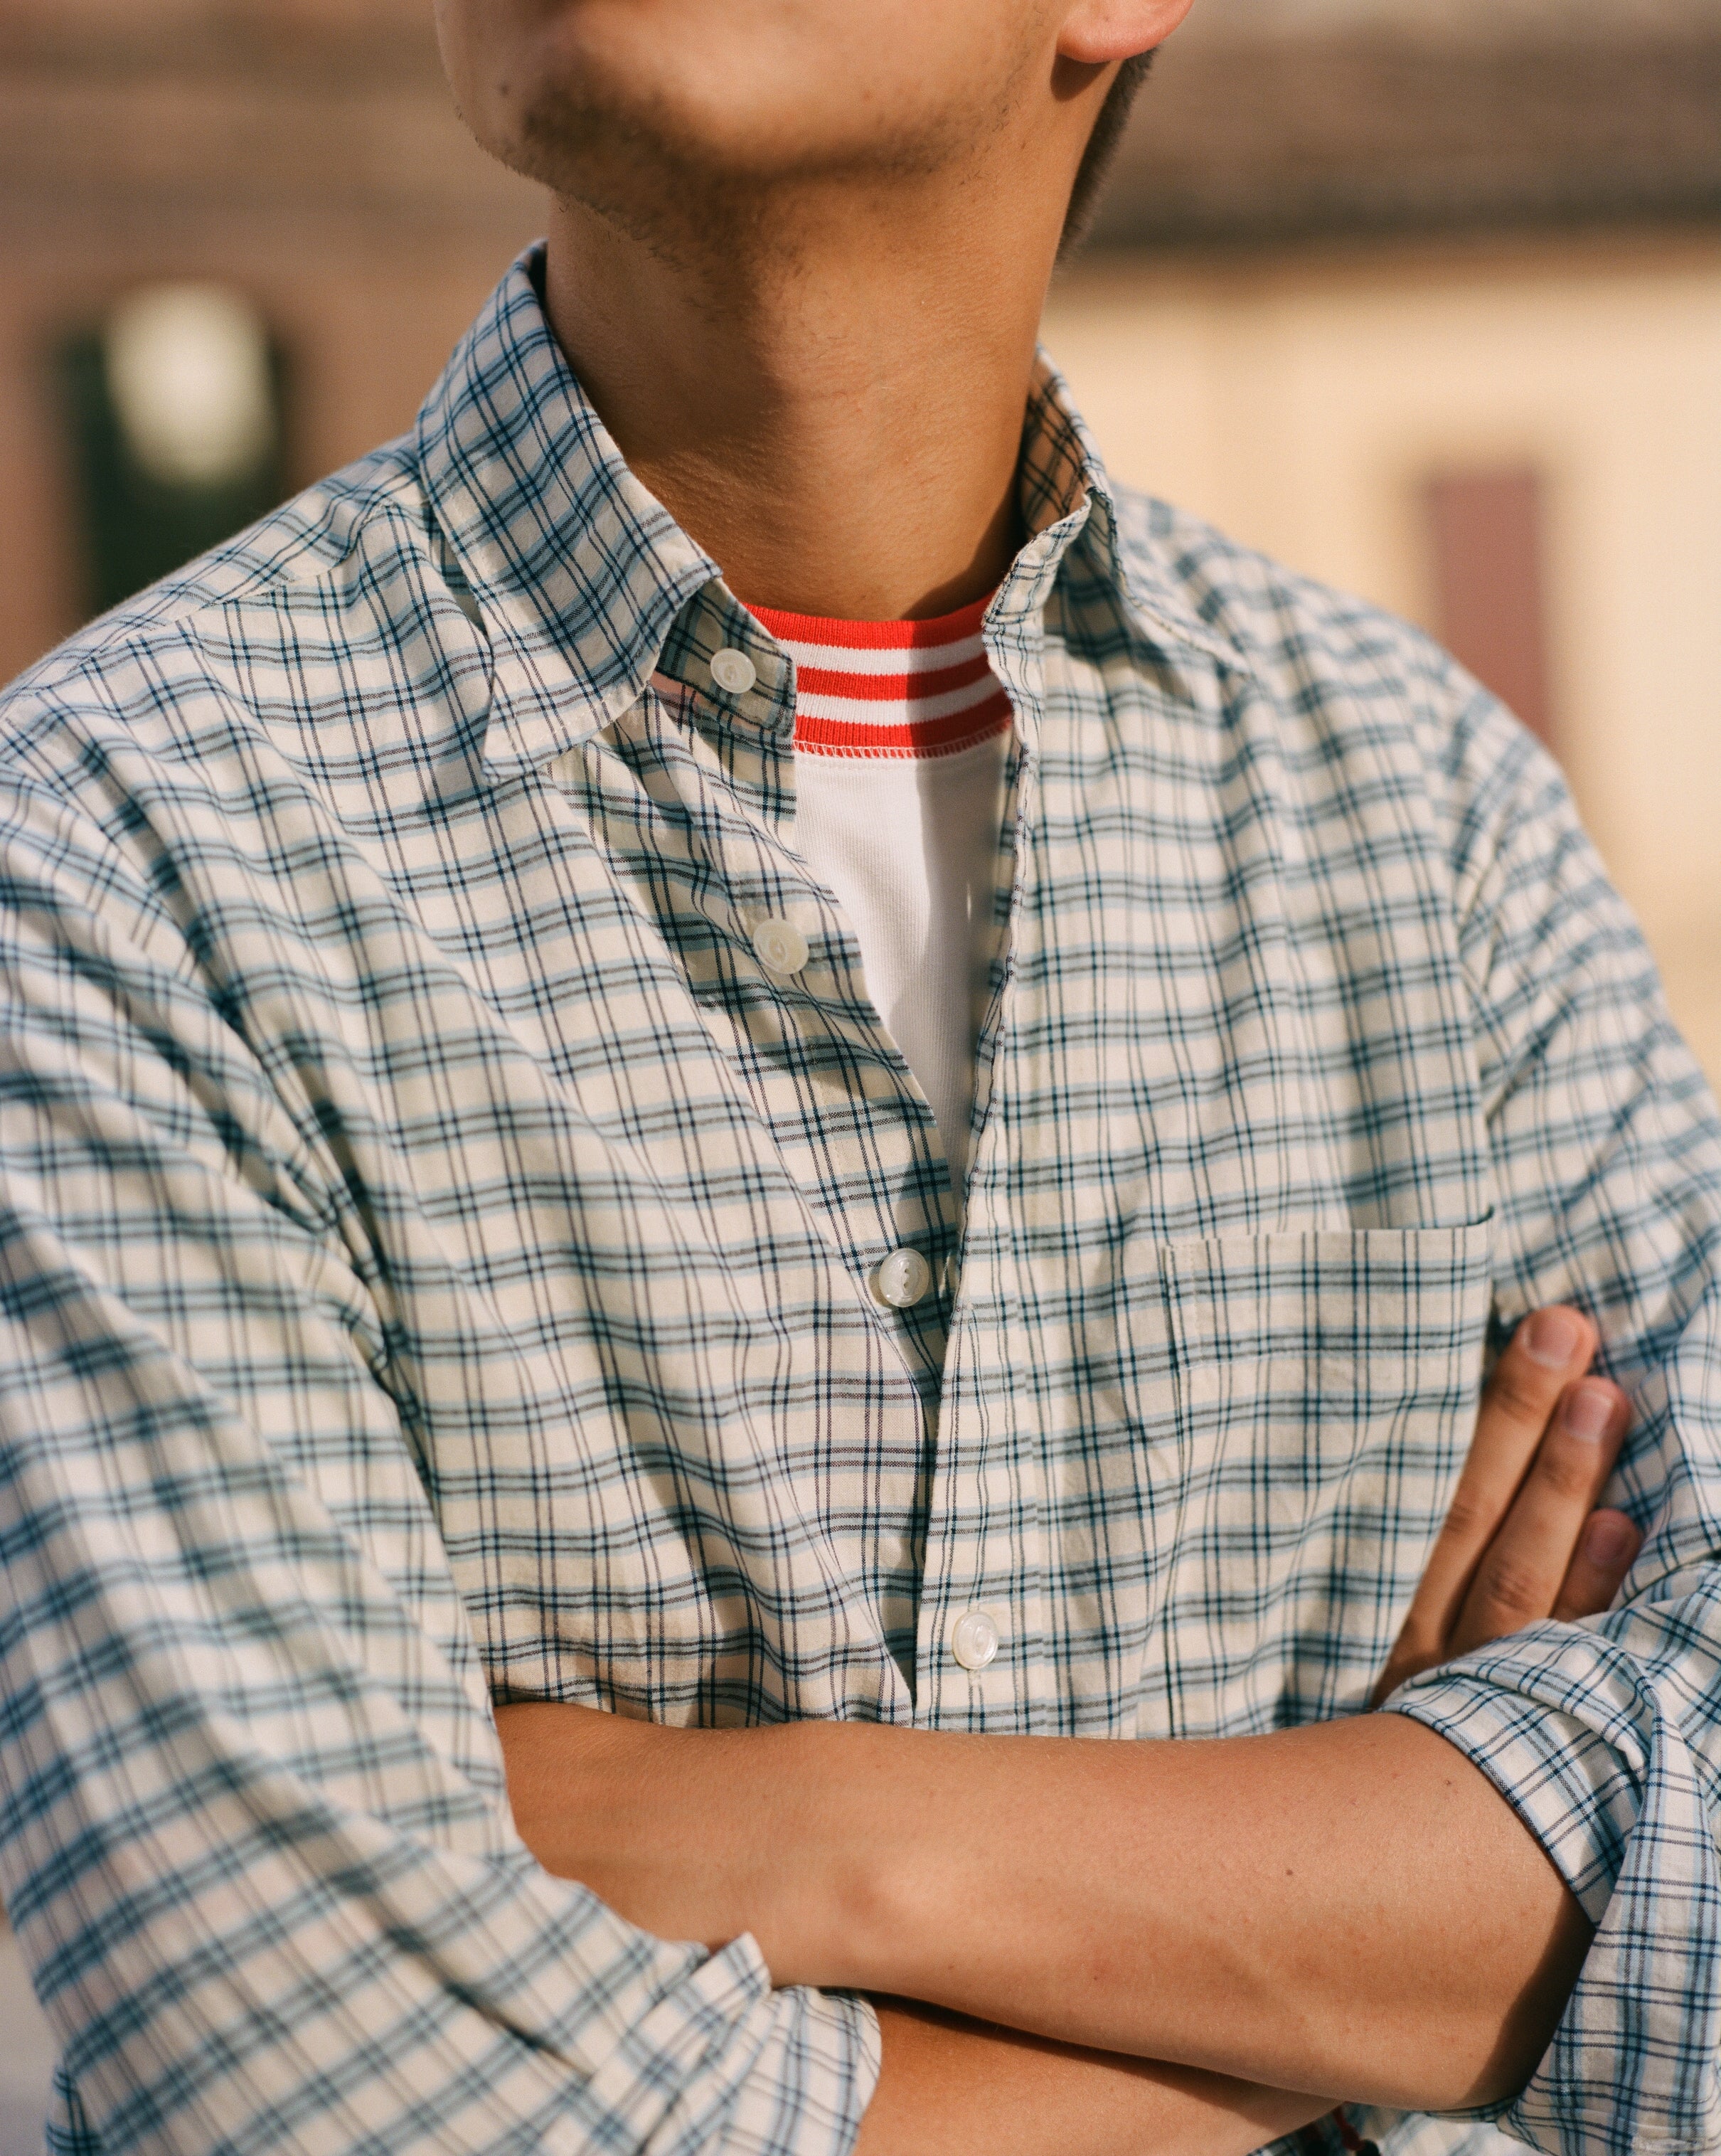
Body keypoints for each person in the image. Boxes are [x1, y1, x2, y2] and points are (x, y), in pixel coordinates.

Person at [0, 1, 1713, 2150]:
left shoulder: (1418, 818)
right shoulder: (112, 860)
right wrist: (1332, 1961)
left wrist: (821, 1834)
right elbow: (317, 2085)